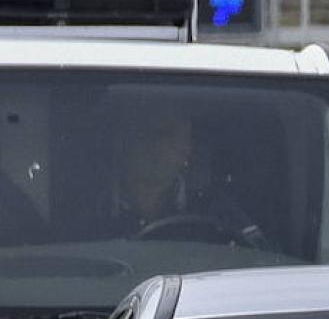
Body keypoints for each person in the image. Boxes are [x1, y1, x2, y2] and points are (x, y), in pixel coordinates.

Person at [105, 107, 267, 250]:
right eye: (145, 131)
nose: (157, 144)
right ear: (122, 141)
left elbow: (262, 261)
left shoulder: (218, 212)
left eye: (168, 134)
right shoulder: (86, 208)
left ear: (187, 147)